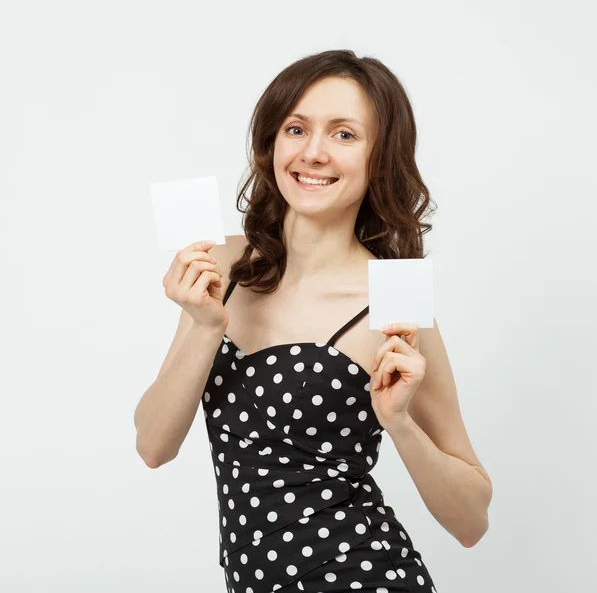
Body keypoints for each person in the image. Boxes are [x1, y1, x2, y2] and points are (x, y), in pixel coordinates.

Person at [134, 49, 493, 593]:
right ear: (272, 144)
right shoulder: (224, 264)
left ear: (379, 157)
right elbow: (153, 446)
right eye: (296, 128)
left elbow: (471, 522)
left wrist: (399, 424)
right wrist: (207, 327)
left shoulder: (390, 301)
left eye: (345, 134)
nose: (314, 152)